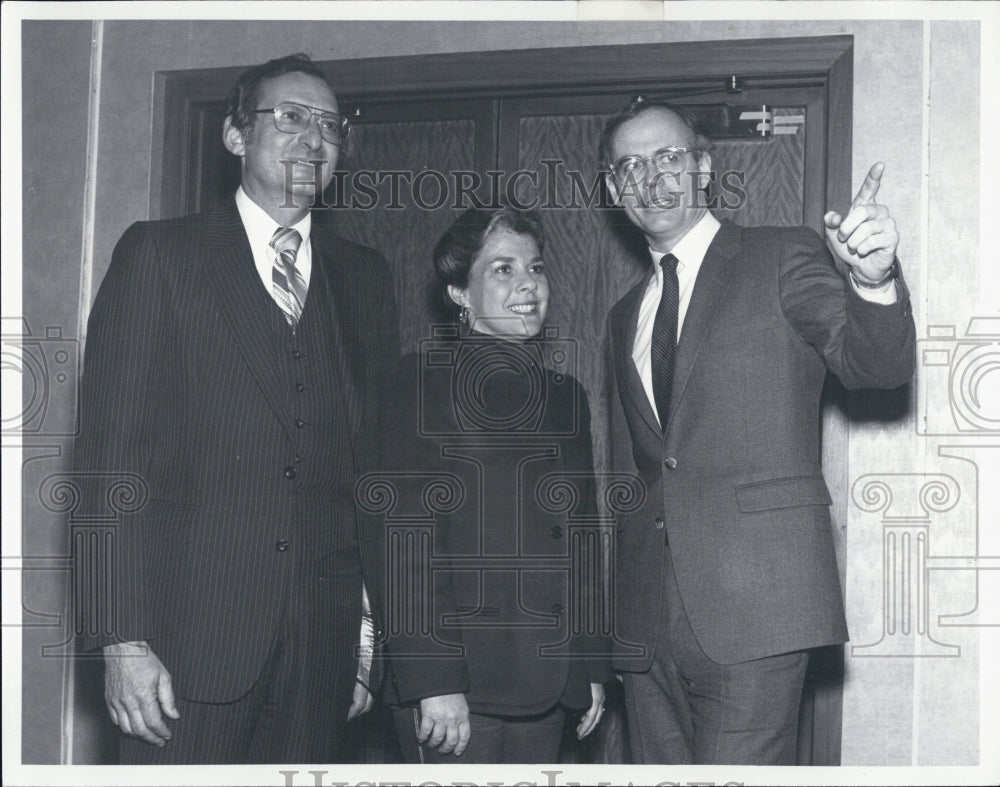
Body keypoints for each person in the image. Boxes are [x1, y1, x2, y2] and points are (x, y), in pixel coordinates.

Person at [74, 53, 398, 763]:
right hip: (184, 655)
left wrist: (367, 638)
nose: (313, 139)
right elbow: (107, 464)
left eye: (329, 126)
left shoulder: (366, 280)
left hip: (321, 655)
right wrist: (121, 641)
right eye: (288, 117)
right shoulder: (160, 256)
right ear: (234, 136)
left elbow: (374, 477)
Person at [599, 99, 916, 764]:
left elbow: (874, 364)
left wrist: (873, 279)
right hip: (646, 622)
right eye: (628, 166)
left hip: (761, 604)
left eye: (667, 157)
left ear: (705, 167)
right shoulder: (625, 313)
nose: (647, 177)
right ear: (611, 189)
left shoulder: (780, 255)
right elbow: (649, 468)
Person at [377, 207, 610, 762]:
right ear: (460, 292)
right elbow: (401, 538)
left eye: (536, 267)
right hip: (455, 688)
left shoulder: (565, 395)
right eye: (502, 270)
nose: (527, 284)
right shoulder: (421, 382)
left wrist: (591, 666)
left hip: (550, 684)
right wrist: (432, 679)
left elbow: (579, 537)